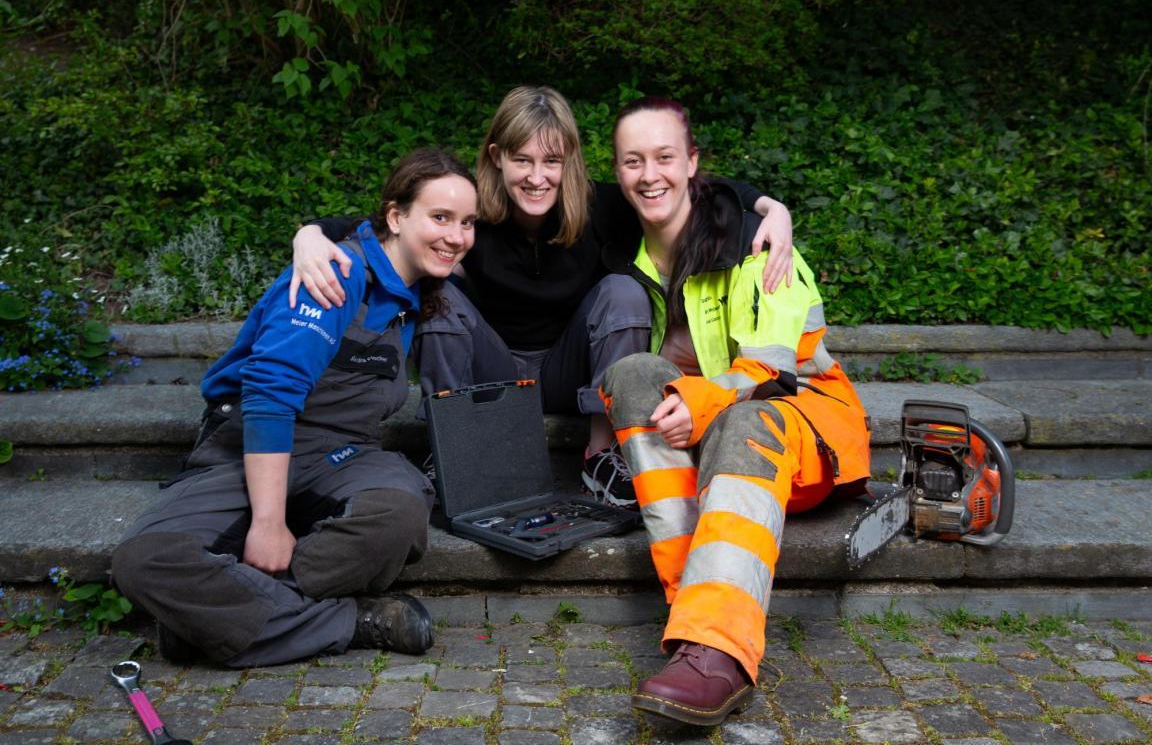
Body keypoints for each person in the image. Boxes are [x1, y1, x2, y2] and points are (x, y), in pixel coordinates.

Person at [290, 86, 796, 510]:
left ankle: (602, 456)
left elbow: (697, 190)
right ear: (497, 157)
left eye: (551, 161)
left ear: (568, 161)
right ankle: (452, 447)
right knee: (438, 293)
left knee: (623, 291)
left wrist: (770, 206)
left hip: (567, 370)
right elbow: (390, 227)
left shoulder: (602, 208)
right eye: (522, 160)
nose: (537, 177)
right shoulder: (470, 212)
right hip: (493, 369)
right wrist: (310, 234)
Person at [110, 149, 479, 667]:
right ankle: (350, 620)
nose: (457, 236)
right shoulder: (334, 274)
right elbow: (269, 395)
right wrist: (267, 520)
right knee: (144, 562)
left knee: (398, 515)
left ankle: (212, 622)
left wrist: (310, 228)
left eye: (467, 223)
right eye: (440, 217)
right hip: (248, 450)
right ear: (396, 217)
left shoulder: (422, 287)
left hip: (344, 459)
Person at [597, 97, 871, 725]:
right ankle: (691, 614)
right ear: (617, 172)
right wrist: (319, 234)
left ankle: (720, 653)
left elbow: (774, 376)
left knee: (747, 416)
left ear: (693, 163)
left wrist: (771, 208)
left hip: (799, 429)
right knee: (634, 374)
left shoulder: (758, 244)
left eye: (665, 157)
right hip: (711, 435)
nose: (650, 174)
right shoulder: (627, 256)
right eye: (633, 161)